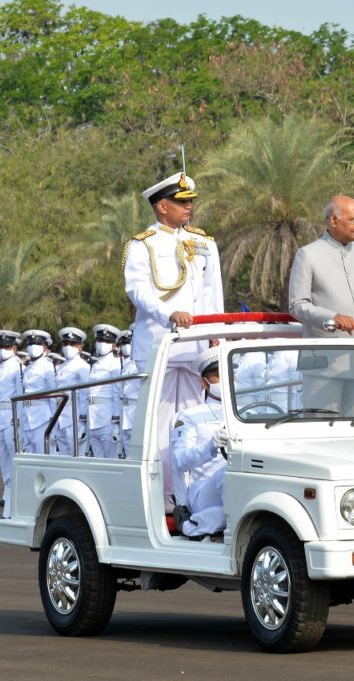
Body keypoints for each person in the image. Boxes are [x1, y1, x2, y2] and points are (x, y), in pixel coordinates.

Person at [124, 172, 224, 508]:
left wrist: (215, 336)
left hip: (196, 344)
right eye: (182, 202)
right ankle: (159, 496)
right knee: (158, 423)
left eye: (191, 201)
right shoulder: (143, 244)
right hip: (160, 344)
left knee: (196, 421)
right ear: (162, 206)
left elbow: (213, 293)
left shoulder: (203, 242)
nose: (189, 207)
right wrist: (169, 312)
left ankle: (194, 496)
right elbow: (137, 290)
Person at [287, 195, 354, 337]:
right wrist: (332, 317)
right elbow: (297, 306)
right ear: (334, 220)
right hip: (323, 353)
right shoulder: (307, 255)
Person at [171, 347, 229, 539]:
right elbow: (179, 461)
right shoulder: (189, 416)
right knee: (229, 474)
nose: (224, 380)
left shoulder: (246, 413)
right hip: (203, 493)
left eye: (228, 374)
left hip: (237, 485)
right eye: (217, 376)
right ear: (204, 383)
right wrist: (210, 447)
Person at [0, 330, 23, 517]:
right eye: (0, 346)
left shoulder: (17, 367)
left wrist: (18, 420)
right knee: (5, 466)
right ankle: (8, 509)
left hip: (11, 419)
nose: (2, 350)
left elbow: (19, 395)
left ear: (14, 348)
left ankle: (14, 510)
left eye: (6, 346)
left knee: (14, 464)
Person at [87, 324, 123, 459]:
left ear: (114, 346)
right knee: (97, 461)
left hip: (108, 419)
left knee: (111, 461)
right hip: (93, 420)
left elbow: (117, 393)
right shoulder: (95, 365)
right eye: (100, 340)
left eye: (107, 341)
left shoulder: (115, 364)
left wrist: (116, 421)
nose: (102, 344)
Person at [55, 327, 90, 456]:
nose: (68, 346)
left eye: (72, 344)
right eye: (65, 343)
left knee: (77, 456)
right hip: (60, 416)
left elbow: (85, 394)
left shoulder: (82, 366)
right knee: (64, 457)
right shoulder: (61, 367)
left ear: (80, 347)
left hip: (74, 416)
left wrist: (82, 421)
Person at [20, 330, 56, 455]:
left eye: (36, 344)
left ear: (44, 348)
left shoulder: (47, 366)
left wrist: (54, 424)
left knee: (43, 456)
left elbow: (53, 396)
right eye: (30, 344)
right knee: (29, 458)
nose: (32, 347)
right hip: (28, 417)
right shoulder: (27, 369)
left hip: (42, 417)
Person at [117, 329, 141, 457]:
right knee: (128, 452)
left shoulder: (143, 362)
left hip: (137, 409)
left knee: (138, 452)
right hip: (125, 411)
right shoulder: (126, 364)